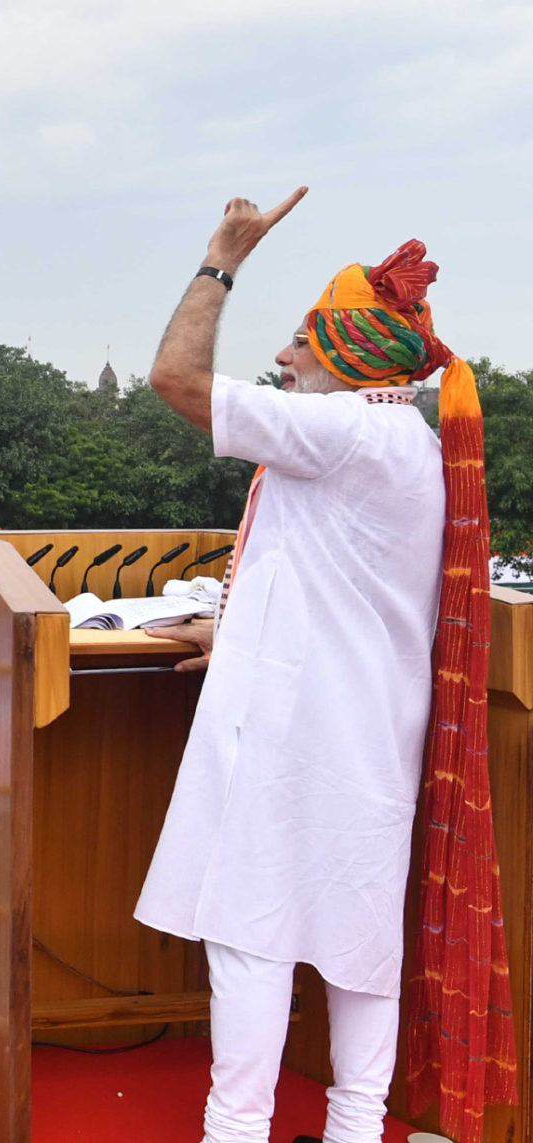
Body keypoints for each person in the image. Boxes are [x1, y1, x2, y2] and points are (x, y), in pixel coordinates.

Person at [137, 191, 513, 1143]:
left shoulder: (344, 431)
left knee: (253, 935)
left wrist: (223, 256)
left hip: (299, 740)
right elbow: (344, 586)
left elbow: (176, 379)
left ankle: (238, 1130)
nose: (283, 355)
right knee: (357, 950)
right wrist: (232, 632)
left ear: (346, 354)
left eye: (302, 338)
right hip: (368, 736)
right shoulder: (410, 443)